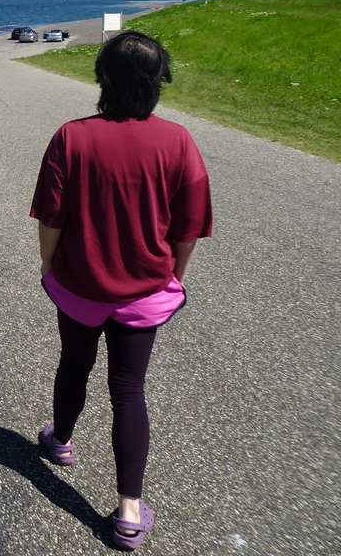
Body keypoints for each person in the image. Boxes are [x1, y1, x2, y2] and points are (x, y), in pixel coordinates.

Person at [29, 30, 213, 550]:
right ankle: (129, 510)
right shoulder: (178, 141)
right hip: (144, 290)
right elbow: (189, 226)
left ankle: (61, 441)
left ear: (102, 79)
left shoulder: (72, 136)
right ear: (158, 82)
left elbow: (52, 215)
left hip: (80, 285)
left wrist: (49, 265)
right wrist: (175, 276)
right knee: (129, 390)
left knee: (74, 363)